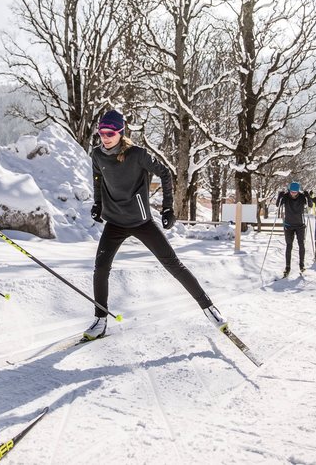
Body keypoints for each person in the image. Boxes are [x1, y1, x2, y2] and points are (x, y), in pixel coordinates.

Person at [85, 109, 227, 340]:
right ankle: (100, 320)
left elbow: (165, 174)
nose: (105, 137)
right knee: (101, 268)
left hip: (141, 221)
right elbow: (98, 179)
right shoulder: (98, 155)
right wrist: (98, 204)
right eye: (102, 132)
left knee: (172, 264)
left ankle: (209, 308)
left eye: (110, 133)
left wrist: (168, 208)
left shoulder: (137, 154)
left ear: (121, 133)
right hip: (115, 222)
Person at [276, 182, 313, 277]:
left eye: (295, 192)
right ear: (289, 190)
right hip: (288, 225)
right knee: (289, 246)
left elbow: (310, 205)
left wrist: (308, 196)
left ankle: (302, 265)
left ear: (298, 191)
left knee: (301, 245)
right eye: (292, 192)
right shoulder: (285, 196)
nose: (293, 194)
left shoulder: (302, 197)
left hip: (300, 225)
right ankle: (287, 267)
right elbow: (277, 205)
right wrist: (279, 196)